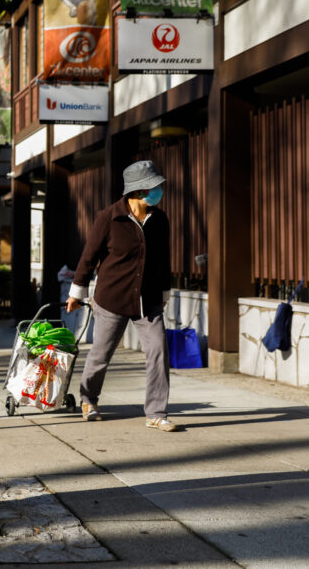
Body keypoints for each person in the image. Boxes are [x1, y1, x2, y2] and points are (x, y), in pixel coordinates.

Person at [66, 160, 176, 432]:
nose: (159, 191)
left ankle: (156, 412)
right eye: (155, 187)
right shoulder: (109, 217)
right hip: (112, 299)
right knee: (101, 355)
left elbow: (163, 258)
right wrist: (76, 292)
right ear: (139, 191)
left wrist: (164, 292)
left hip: (148, 301)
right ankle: (88, 399)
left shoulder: (159, 219)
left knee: (159, 351)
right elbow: (89, 257)